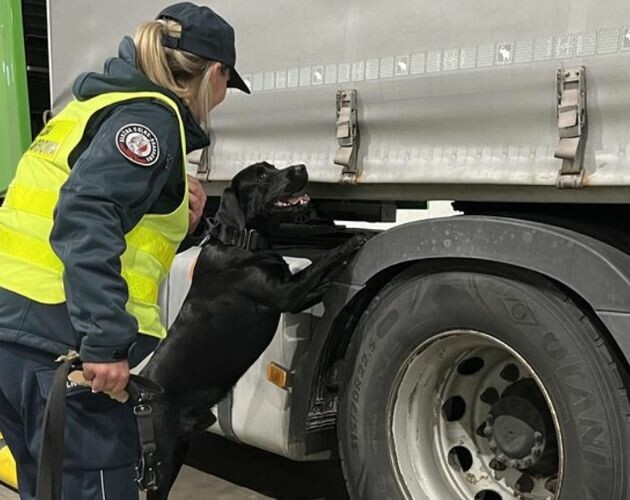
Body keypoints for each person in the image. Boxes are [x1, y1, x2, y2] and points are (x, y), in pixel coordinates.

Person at [0, 2, 250, 498]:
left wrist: (181, 219)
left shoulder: (92, 106)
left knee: (46, 488)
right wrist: (104, 343)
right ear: (215, 74)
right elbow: (87, 212)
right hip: (62, 348)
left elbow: (76, 211)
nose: (221, 99)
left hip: (16, 338)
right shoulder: (150, 120)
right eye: (225, 86)